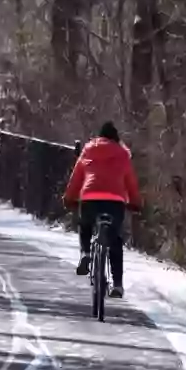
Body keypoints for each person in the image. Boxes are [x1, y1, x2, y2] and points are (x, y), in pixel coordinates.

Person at [63, 121, 141, 298]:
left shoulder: (89, 148)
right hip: (115, 201)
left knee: (85, 225)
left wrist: (69, 198)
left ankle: (86, 253)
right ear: (116, 138)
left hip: (90, 198)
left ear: (99, 136)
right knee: (115, 240)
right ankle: (118, 285)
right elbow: (130, 181)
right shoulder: (123, 153)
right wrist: (135, 202)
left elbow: (77, 177)